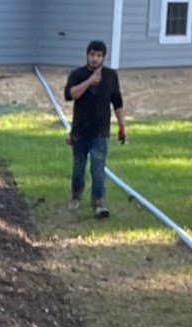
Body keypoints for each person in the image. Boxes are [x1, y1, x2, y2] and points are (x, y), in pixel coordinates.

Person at [64, 40, 127, 219]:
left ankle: (98, 202)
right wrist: (90, 81)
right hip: (80, 131)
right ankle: (76, 195)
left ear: (103, 57)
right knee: (78, 167)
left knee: (98, 168)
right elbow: (70, 95)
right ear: (87, 55)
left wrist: (122, 125)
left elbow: (117, 102)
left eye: (99, 55)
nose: (95, 59)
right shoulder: (77, 74)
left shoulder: (110, 76)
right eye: (92, 55)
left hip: (101, 131)